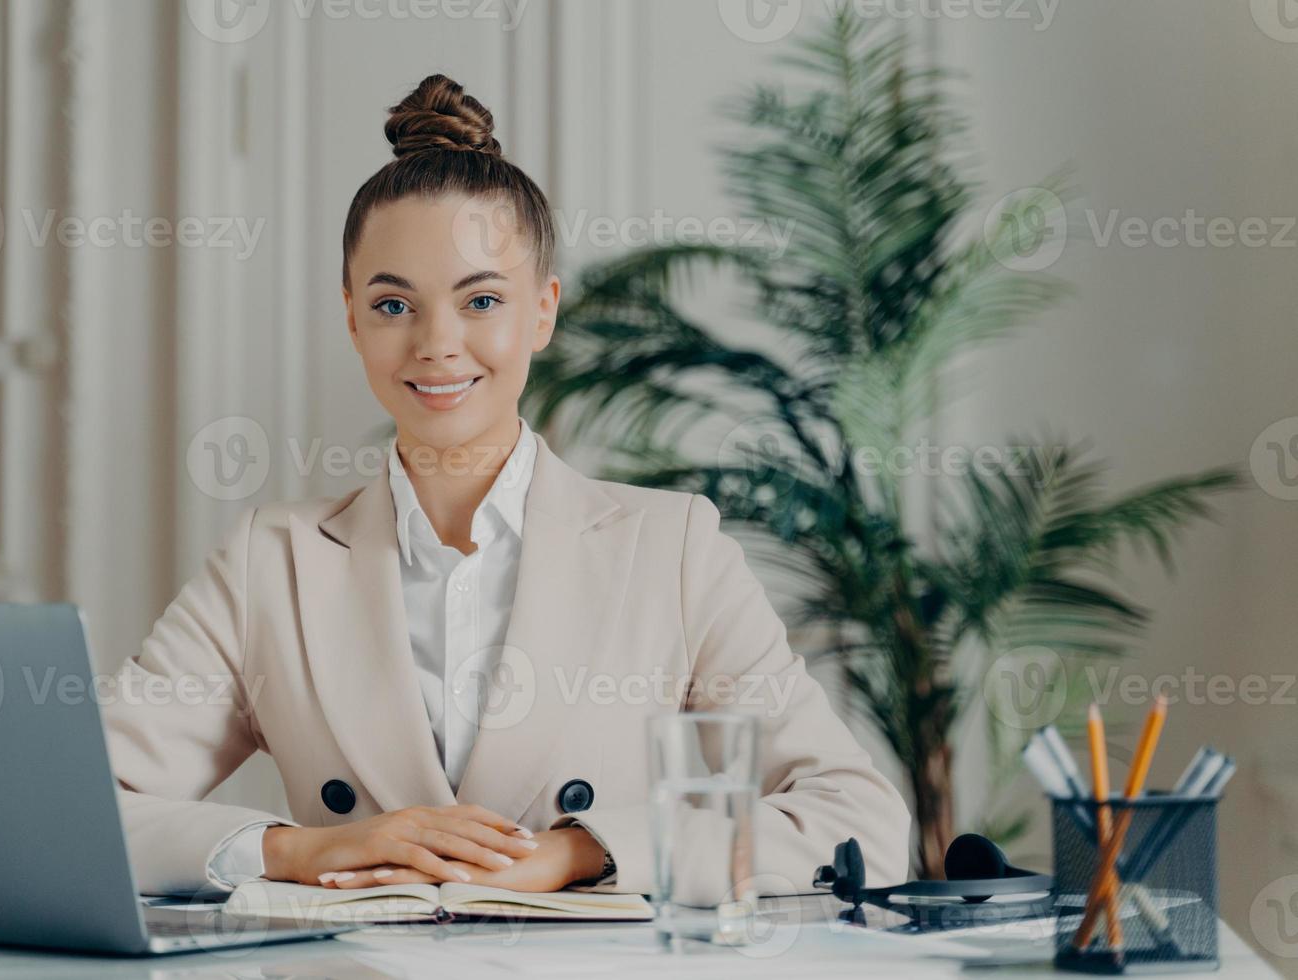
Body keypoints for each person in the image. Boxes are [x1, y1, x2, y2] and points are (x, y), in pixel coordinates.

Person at [103, 73, 910, 899]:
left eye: (481, 299)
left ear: (543, 311)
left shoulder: (669, 547)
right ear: (351, 317)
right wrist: (302, 851)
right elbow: (82, 812)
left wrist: (578, 855)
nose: (436, 345)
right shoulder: (269, 561)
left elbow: (860, 822)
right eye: (393, 306)